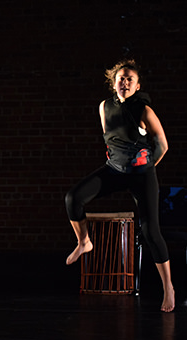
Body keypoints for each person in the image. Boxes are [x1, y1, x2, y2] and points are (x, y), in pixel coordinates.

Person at [64, 59, 174, 312]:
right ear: (114, 83)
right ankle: (84, 242)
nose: (124, 82)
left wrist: (146, 167)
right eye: (121, 78)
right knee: (73, 198)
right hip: (114, 170)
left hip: (141, 173)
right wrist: (118, 162)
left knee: (150, 231)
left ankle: (168, 287)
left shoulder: (144, 110)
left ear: (137, 86)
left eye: (129, 79)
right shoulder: (104, 107)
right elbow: (111, 140)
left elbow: (162, 145)